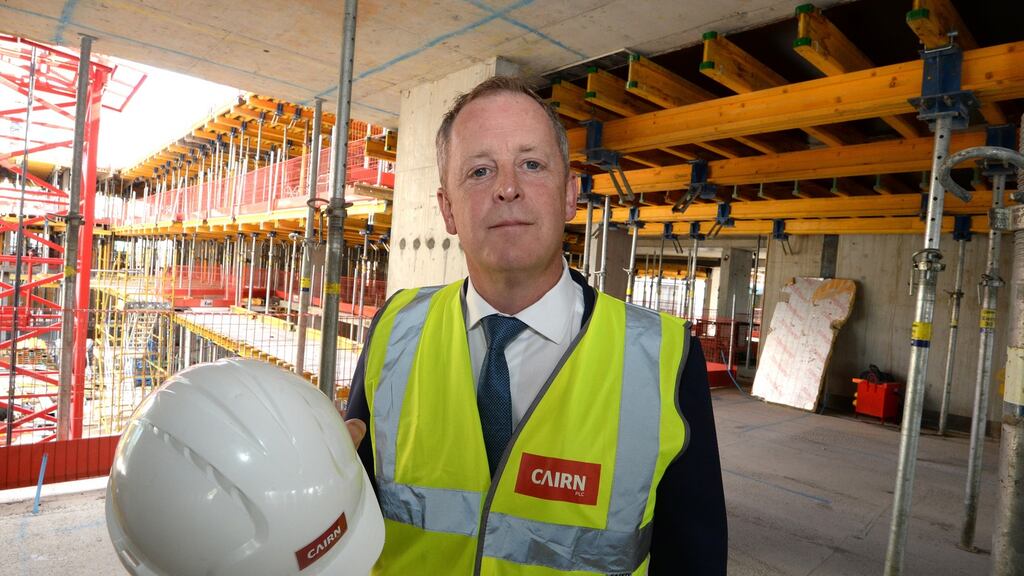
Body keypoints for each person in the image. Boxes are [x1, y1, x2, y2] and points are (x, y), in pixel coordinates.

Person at [345, 75, 727, 575]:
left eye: (531, 164)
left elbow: (693, 558)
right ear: (447, 210)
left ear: (569, 196)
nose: (507, 188)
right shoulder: (394, 330)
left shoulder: (663, 356)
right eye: (480, 171)